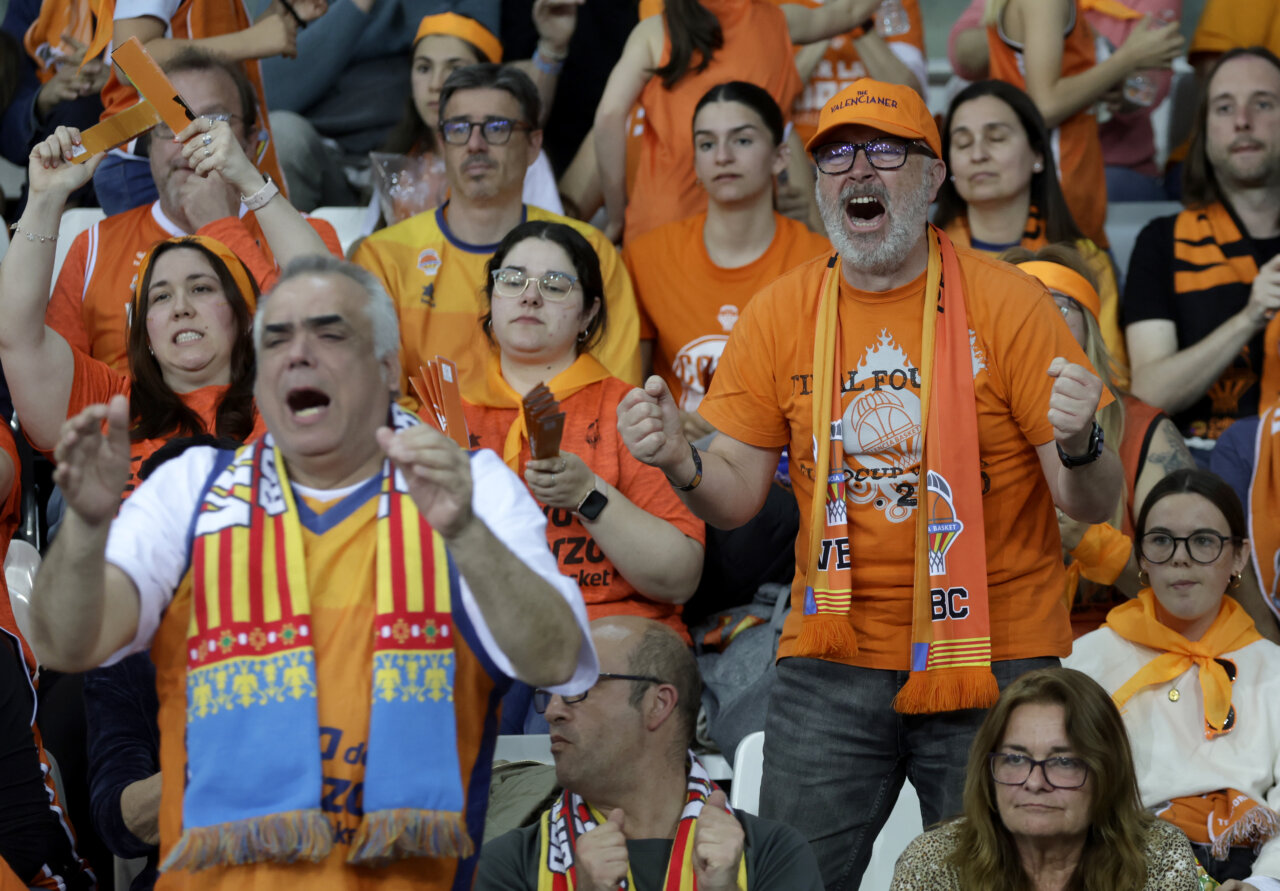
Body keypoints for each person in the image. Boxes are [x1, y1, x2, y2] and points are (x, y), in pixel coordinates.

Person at [617, 77, 1122, 889]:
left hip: (994, 652)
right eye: (837, 154)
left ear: (934, 177)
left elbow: (1088, 499)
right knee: (789, 879)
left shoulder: (1011, 304)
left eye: (885, 151)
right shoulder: (781, 310)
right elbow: (736, 495)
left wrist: (1080, 439)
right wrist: (682, 459)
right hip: (833, 651)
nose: (858, 169)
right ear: (817, 182)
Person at [25, 253, 599, 887]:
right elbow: (64, 643)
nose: (298, 354)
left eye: (329, 335)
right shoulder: (191, 487)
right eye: (277, 339)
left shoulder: (472, 485)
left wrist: (465, 533)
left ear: (386, 370)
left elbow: (555, 659)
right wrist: (85, 526)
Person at [6, 117, 341, 496]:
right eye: (161, 296)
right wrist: (45, 199)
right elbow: (17, 335)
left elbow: (325, 304)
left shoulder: (284, 397)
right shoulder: (109, 407)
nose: (181, 307)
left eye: (201, 288)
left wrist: (248, 180)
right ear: (144, 333)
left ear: (246, 318)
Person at [464, 221, 705, 640]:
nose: (530, 296)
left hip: (610, 633)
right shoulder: (446, 414)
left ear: (589, 313)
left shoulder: (630, 412)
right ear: (491, 298)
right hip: (486, 640)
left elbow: (679, 578)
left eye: (555, 285)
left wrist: (588, 496)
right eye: (513, 280)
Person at [354, 63, 641, 402]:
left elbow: (615, 399)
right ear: (442, 144)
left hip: (558, 436)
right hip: (431, 437)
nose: (475, 144)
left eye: (497, 127)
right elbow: (380, 401)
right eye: (459, 128)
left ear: (533, 145)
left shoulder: (589, 250)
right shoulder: (384, 258)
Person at [44, 50, 343, 374]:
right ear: (149, 144)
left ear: (251, 142)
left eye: (214, 121)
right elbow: (51, 380)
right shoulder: (92, 247)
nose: (189, 141)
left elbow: (326, 356)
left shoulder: (306, 235)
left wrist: (222, 227)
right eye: (167, 122)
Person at [474, 615, 826, 890]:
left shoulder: (771, 854)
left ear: (658, 704)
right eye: (550, 692)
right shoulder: (506, 864)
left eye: (578, 688)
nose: (552, 711)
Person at [1065, 469, 1280, 887]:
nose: (1181, 558)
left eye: (1203, 541)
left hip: (1251, 868)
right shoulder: (1084, 663)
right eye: (1162, 541)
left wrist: (1264, 882)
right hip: (1123, 864)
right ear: (1142, 558)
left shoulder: (1271, 667)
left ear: (1238, 556)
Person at [1005, 245, 1195, 631]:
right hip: (998, 648)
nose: (1034, 319)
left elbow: (1192, 596)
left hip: (1125, 647)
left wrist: (1091, 542)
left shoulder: (1144, 431)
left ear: (1089, 328)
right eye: (1015, 306)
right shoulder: (960, 427)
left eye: (1057, 305)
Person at [622, 81, 830, 431]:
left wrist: (736, 437)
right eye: (707, 144)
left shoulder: (822, 263)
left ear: (780, 157)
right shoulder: (646, 258)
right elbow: (629, 396)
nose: (722, 156)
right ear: (696, 163)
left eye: (742, 140)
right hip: (678, 455)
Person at [593, 0, 890, 244]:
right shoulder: (779, 21)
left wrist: (617, 216)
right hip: (749, 233)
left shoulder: (654, 32)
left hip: (660, 223)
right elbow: (850, 11)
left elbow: (608, 116)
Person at [889, 667, 1200, 890]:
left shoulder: (1158, 856)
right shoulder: (933, 862)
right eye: (1015, 758)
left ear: (1106, 773)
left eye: (1063, 762)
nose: (1035, 783)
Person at [266, 0, 576, 214]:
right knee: (282, 134)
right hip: (328, 157)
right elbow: (270, 94)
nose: (436, 83)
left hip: (415, 147)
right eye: (424, 68)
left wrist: (550, 51)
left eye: (448, 70)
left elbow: (472, 59)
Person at [1124, 48, 1280, 458]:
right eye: (1224, 107)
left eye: (1263, 104)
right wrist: (1250, 317)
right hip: (1201, 463)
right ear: (1204, 130)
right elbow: (1149, 392)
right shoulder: (1162, 241)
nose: (1243, 121)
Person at [935, 79, 1127, 370]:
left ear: (1037, 155)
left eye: (996, 138)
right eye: (963, 143)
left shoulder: (1084, 260)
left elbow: (1111, 378)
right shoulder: (924, 260)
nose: (978, 155)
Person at [83, 0, 325, 215]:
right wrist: (252, 40)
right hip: (154, 164)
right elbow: (129, 60)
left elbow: (205, 49)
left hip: (197, 155)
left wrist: (273, 20)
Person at [983, 0, 1184, 248]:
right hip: (1057, 186)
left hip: (1069, 181)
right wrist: (1129, 57)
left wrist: (1112, 82)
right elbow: (1045, 105)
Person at [367, 7, 563, 231]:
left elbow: (551, 237)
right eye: (423, 68)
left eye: (455, 69)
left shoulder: (518, 154)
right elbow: (370, 241)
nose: (435, 84)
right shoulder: (400, 155)